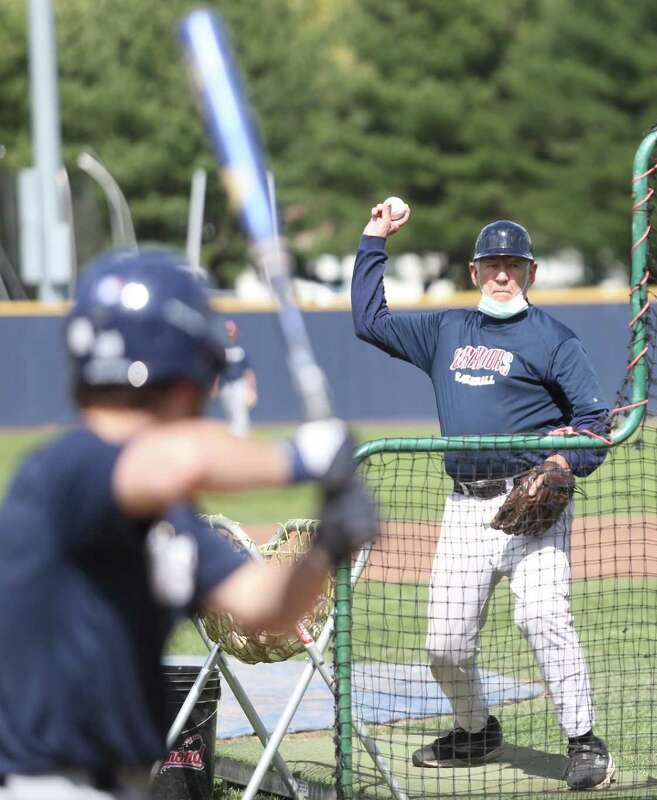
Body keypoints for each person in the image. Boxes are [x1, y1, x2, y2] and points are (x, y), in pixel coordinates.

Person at [0, 249, 377, 800]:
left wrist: (327, 547)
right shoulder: (67, 470)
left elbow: (263, 607)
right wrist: (297, 459)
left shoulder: (163, 511)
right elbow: (166, 459)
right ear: (188, 374)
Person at [351, 203, 616, 791]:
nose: (502, 274)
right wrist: (374, 239)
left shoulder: (555, 341)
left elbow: (596, 426)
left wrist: (562, 462)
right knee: (444, 645)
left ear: (531, 272)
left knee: (542, 615)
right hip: (466, 510)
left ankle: (584, 741)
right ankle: (475, 730)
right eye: (492, 264)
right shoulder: (446, 330)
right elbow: (370, 322)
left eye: (513, 265)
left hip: (533, 514)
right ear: (474, 272)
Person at [216, 320, 257, 437]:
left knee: (240, 414)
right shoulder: (220, 349)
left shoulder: (241, 348)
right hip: (225, 386)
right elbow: (217, 371)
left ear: (236, 331)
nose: (229, 333)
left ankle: (242, 440)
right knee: (229, 414)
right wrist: (215, 386)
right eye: (227, 330)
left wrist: (252, 388)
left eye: (231, 330)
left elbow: (248, 371)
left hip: (239, 385)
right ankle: (234, 440)